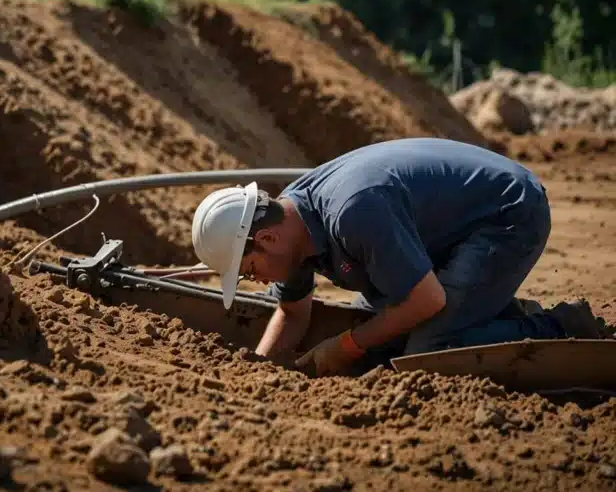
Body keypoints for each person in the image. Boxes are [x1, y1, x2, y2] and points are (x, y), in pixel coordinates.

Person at [190, 137, 605, 376]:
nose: (255, 280)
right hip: (438, 232)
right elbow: (294, 312)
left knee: (429, 352)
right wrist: (258, 370)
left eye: (248, 270)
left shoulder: (353, 212)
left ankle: (561, 326)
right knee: (381, 331)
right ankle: (490, 312)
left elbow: (427, 301)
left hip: (505, 214)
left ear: (265, 239)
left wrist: (345, 345)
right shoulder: (291, 226)